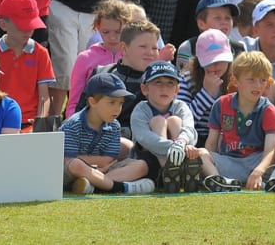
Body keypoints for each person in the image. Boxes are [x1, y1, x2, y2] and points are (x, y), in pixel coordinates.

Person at [202, 51, 275, 192]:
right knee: (200, 153)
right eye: (252, 79)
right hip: (230, 162)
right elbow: (211, 144)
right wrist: (208, 162)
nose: (258, 85)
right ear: (235, 81)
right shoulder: (221, 104)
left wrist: (258, 171)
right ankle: (220, 181)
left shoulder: (268, 110)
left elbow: (270, 150)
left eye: (263, 80)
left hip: (259, 163)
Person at [60, 72, 153, 195]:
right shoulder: (73, 125)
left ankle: (92, 185)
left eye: (120, 103)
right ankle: (120, 187)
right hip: (71, 172)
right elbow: (67, 160)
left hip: (103, 171)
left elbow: (109, 160)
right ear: (92, 102)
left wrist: (97, 166)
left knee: (142, 165)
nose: (117, 109)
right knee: (76, 165)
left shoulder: (114, 126)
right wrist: (97, 167)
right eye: (112, 102)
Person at [75, 20, 160, 136]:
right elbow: (81, 112)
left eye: (155, 48)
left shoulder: (157, 82)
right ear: (124, 48)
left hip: (136, 144)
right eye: (143, 47)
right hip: (93, 138)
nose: (150, 52)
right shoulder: (101, 74)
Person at [130, 61, 200, 193]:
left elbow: (190, 129)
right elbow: (143, 137)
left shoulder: (180, 106)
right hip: (150, 159)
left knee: (175, 121)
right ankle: (168, 169)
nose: (164, 88)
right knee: (158, 121)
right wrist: (172, 147)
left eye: (170, 83)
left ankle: (177, 173)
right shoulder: (141, 109)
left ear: (177, 90)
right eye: (158, 82)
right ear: (145, 89)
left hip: (180, 152)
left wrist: (181, 142)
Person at [0, 0, 56, 130]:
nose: (28, 31)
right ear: (3, 24)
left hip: (30, 124)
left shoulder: (41, 53)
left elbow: (44, 97)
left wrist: (40, 122)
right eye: (22, 26)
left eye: (31, 25)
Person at [65, 0, 133, 118]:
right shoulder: (85, 58)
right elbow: (74, 102)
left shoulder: (133, 55)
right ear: (97, 27)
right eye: (105, 32)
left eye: (118, 32)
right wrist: (74, 125)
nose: (112, 37)